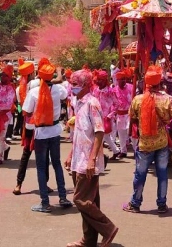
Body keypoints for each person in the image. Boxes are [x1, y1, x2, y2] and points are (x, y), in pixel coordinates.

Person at [64, 70, 118, 247]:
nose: (72, 87)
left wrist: (92, 159)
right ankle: (89, 240)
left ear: (86, 85)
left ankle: (108, 229)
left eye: (75, 83)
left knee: (80, 199)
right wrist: (71, 154)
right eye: (71, 83)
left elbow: (99, 131)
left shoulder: (92, 103)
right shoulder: (77, 102)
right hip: (78, 158)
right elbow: (79, 132)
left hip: (88, 160)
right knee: (90, 201)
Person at [123, 65, 172, 214]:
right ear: (159, 83)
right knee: (162, 174)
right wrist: (167, 123)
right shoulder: (166, 99)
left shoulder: (138, 99)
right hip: (162, 142)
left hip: (144, 143)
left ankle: (135, 204)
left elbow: (133, 118)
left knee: (140, 174)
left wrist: (144, 125)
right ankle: (161, 204)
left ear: (146, 83)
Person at [22, 58, 71, 213]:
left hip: (41, 133)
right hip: (55, 131)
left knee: (41, 167)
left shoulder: (33, 92)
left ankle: (45, 203)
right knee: (57, 164)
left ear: (39, 75)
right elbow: (64, 94)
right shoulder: (59, 89)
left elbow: (27, 111)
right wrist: (58, 75)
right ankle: (63, 197)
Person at [13, 59, 50, 196]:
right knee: (44, 156)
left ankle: (18, 184)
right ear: (32, 72)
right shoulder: (36, 84)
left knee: (26, 155)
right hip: (40, 125)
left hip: (28, 125)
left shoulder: (18, 89)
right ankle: (44, 184)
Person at [112, 69, 134, 160]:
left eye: (124, 79)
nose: (122, 81)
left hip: (129, 114)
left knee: (131, 132)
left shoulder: (131, 87)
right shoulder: (114, 90)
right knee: (121, 134)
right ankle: (123, 151)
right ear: (117, 80)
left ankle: (137, 150)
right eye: (120, 79)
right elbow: (113, 103)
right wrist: (113, 114)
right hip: (120, 115)